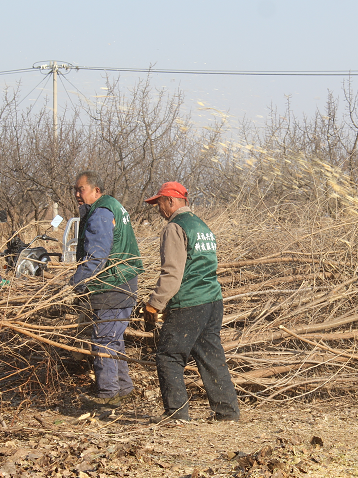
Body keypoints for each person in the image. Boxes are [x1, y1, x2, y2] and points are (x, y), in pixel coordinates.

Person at [143, 181, 241, 423]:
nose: (158, 209)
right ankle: (227, 412)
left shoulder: (175, 227)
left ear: (172, 201)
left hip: (189, 302)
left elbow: (172, 274)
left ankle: (176, 415)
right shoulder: (201, 225)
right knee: (211, 355)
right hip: (212, 301)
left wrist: (154, 304)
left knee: (168, 355)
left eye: (160, 203)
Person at [70, 171, 144, 408]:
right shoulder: (114, 207)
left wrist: (74, 285)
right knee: (114, 339)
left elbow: (96, 258)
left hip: (110, 285)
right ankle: (123, 389)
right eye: (75, 190)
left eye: (81, 189)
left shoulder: (101, 213)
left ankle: (109, 394)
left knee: (103, 341)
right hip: (123, 283)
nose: (77, 194)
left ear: (96, 190)